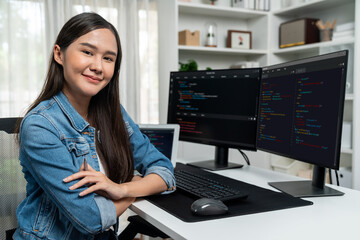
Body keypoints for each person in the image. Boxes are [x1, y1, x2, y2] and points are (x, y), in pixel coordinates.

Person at [13, 12, 175, 240]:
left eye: (108, 58)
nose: (98, 66)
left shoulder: (114, 112)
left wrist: (123, 189)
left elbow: (165, 171)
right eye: (87, 52)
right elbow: (91, 218)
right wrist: (138, 184)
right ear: (59, 54)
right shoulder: (40, 126)